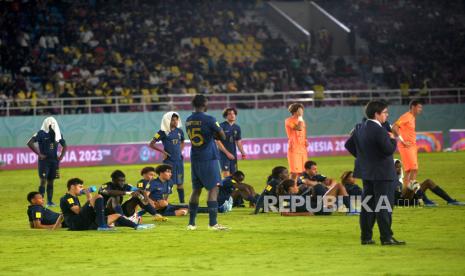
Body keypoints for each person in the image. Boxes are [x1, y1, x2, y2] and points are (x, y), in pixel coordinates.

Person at [345, 100, 405, 245]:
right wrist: (393, 139)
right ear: (377, 114)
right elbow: (388, 150)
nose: (387, 115)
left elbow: (348, 145)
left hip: (366, 173)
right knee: (383, 206)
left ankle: (365, 237)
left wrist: (364, 158)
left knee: (367, 205)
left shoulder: (359, 127)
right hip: (382, 173)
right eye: (385, 112)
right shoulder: (379, 130)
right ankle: (386, 238)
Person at [185, 95, 228, 230]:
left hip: (195, 158)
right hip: (209, 158)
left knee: (196, 190)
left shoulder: (188, 120)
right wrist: (213, 135)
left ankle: (191, 224)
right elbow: (222, 136)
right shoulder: (209, 119)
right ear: (205, 104)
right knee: (213, 188)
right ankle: (213, 224)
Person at [60, 178, 153, 231]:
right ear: (72, 186)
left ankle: (137, 226)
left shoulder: (74, 197)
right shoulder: (68, 198)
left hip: (87, 224)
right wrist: (90, 198)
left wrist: (89, 196)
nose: (82, 188)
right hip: (76, 224)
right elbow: (78, 211)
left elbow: (64, 215)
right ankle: (102, 226)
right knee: (98, 196)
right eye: (80, 187)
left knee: (117, 215)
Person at [27, 117, 67, 207]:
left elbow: (65, 145)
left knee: (51, 181)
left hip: (54, 162)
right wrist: (39, 154)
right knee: (43, 181)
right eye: (49, 123)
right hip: (44, 162)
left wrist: (61, 156)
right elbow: (29, 143)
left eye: (53, 123)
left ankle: (49, 201)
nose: (51, 124)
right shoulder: (40, 133)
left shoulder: (58, 134)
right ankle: (40, 202)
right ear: (45, 124)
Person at [98, 170, 163, 222]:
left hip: (119, 211)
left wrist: (143, 196)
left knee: (138, 196)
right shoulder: (106, 186)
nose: (122, 183)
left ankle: (156, 215)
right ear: (113, 180)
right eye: (120, 181)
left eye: (123, 181)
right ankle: (122, 219)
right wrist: (128, 193)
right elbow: (109, 192)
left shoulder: (125, 186)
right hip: (105, 212)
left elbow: (140, 190)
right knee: (115, 196)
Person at [149, 111, 186, 203]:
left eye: (176, 120)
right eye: (173, 120)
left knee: (180, 183)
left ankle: (182, 203)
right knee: (168, 183)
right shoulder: (162, 132)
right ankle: (163, 203)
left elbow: (182, 142)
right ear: (168, 121)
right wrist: (162, 151)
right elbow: (151, 144)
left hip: (179, 161)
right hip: (168, 162)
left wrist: (180, 152)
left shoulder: (180, 131)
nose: (175, 122)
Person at [393, 159, 464, 207]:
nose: (399, 169)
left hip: (409, 197)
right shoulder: (388, 178)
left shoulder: (400, 178)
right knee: (413, 183)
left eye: (400, 167)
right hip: (401, 201)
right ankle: (426, 201)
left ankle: (450, 201)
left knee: (428, 181)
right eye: (396, 167)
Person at [392, 100, 423, 188]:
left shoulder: (412, 117)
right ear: (413, 107)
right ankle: (410, 191)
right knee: (413, 169)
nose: (421, 109)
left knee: (409, 170)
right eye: (419, 107)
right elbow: (394, 127)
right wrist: (402, 140)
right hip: (406, 146)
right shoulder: (406, 116)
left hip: (412, 146)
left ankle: (407, 191)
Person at [215, 107, 247, 177]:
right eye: (229, 114)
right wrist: (227, 153)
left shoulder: (237, 128)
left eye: (233, 114)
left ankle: (231, 188)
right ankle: (225, 188)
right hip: (223, 155)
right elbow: (217, 141)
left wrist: (243, 153)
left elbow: (238, 142)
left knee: (234, 176)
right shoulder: (221, 126)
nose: (232, 115)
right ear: (226, 116)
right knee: (226, 176)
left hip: (233, 155)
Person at [285, 103, 308, 180]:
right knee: (294, 173)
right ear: (295, 111)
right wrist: (300, 117)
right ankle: (290, 189)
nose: (302, 111)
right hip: (294, 149)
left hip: (303, 149)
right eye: (300, 109)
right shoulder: (288, 120)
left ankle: (298, 189)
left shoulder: (302, 121)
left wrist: (305, 139)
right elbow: (299, 128)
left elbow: (303, 131)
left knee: (303, 172)